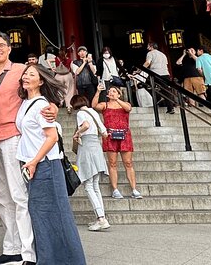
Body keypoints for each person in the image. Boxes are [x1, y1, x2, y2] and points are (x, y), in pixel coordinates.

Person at [0, 32, 58, 265]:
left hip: (13, 136)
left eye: (1, 45)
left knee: (18, 195)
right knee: (1, 196)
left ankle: (28, 253)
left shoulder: (21, 70)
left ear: (9, 48)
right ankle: (11, 247)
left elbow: (43, 89)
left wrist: (52, 106)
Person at [16, 64, 86, 264]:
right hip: (34, 165)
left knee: (56, 214)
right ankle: (48, 259)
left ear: (41, 81)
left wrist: (34, 161)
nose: (26, 77)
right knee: (41, 214)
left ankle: (70, 260)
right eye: (25, 74)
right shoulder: (26, 102)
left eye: (32, 74)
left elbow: (52, 137)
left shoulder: (41, 105)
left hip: (45, 164)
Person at [92, 84, 142, 199]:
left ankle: (134, 189)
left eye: (114, 91)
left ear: (119, 94)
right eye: (110, 91)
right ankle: (115, 189)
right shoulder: (105, 105)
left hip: (124, 135)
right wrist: (98, 92)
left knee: (128, 163)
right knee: (112, 163)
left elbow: (128, 108)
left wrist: (117, 100)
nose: (111, 93)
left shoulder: (125, 104)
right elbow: (94, 106)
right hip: (110, 135)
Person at [71, 95, 110, 232]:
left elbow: (85, 125)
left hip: (87, 146)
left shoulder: (81, 113)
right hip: (96, 146)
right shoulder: (93, 112)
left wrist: (77, 133)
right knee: (95, 185)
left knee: (88, 185)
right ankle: (101, 216)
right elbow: (104, 132)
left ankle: (101, 219)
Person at [143, 42, 174, 114]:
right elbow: (166, 64)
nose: (147, 47)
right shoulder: (163, 54)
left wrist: (140, 70)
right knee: (166, 90)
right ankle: (170, 108)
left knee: (144, 85)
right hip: (165, 74)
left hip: (155, 73)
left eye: (148, 46)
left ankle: (158, 97)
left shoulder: (150, 53)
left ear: (151, 46)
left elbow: (147, 63)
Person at [55, 49, 75, 114]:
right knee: (69, 91)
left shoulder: (56, 59)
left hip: (58, 76)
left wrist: (52, 68)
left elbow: (48, 61)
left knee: (59, 90)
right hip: (67, 76)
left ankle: (60, 102)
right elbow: (72, 69)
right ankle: (68, 106)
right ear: (66, 53)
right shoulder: (69, 60)